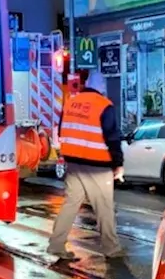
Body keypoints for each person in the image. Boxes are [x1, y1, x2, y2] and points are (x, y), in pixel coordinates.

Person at [48, 69, 125, 260]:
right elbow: (112, 138)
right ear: (102, 87)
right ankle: (111, 248)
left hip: (73, 163)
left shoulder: (71, 103)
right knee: (104, 207)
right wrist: (118, 164)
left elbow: (61, 130)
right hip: (97, 166)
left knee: (70, 204)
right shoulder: (104, 105)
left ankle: (56, 245)